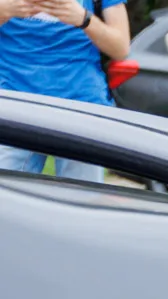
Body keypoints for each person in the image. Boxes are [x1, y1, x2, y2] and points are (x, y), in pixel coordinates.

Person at [0, 0, 130, 183]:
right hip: (13, 103)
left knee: (82, 203)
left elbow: (121, 49)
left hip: (81, 105)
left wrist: (84, 19)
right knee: (6, 202)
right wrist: (3, 11)